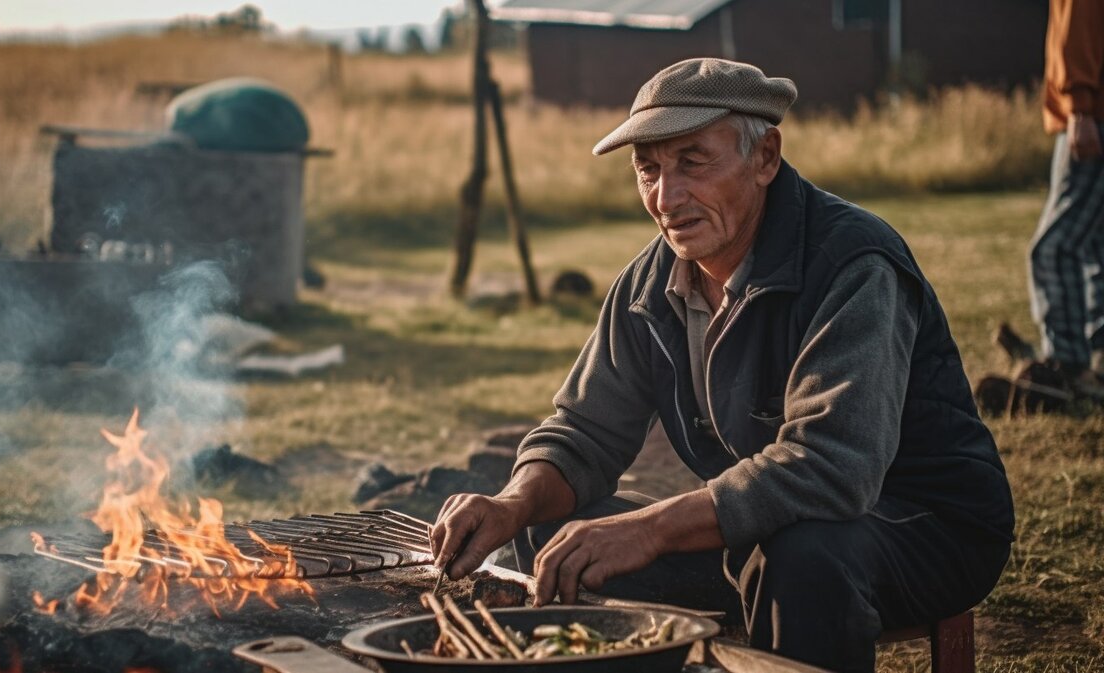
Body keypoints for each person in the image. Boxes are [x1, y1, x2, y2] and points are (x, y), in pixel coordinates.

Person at [430, 58, 1014, 672]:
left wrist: (652, 529)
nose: (666, 197)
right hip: (764, 531)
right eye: (647, 170)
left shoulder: (853, 263)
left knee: (802, 554)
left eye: (692, 162)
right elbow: (584, 432)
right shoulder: (649, 283)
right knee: (554, 535)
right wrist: (514, 502)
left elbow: (832, 469)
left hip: (923, 525)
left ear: (765, 157)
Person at [1029, 0, 1104, 397]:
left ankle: (1069, 363)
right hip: (1092, 111)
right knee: (1095, 244)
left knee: (1055, 248)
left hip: (1091, 116)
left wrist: (1079, 107)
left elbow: (1082, 23)